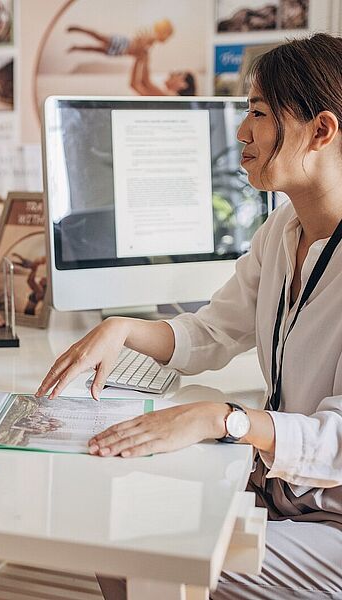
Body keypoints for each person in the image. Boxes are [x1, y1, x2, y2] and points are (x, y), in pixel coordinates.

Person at [37, 33, 342, 600]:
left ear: (320, 131)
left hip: (332, 520)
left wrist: (224, 419)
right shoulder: (281, 231)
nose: (241, 132)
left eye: (258, 114)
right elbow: (211, 331)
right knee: (114, 523)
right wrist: (122, 328)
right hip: (279, 489)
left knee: (149, 550)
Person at [67, 19, 173, 57]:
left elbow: (136, 49)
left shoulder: (150, 43)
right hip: (123, 45)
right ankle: (79, 30)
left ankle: (76, 47)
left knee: (95, 48)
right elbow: (138, 43)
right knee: (98, 37)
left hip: (121, 50)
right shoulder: (150, 38)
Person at [129, 43, 196, 96]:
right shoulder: (166, 98)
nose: (172, 73)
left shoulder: (171, 98)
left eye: (179, 74)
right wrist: (139, 58)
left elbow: (145, 82)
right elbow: (134, 84)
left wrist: (143, 56)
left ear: (183, 85)